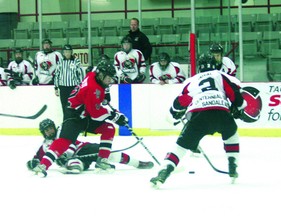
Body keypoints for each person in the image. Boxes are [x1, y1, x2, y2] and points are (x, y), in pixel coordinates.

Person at [150, 53, 247, 188]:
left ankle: (164, 171)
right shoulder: (220, 75)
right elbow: (234, 92)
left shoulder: (191, 80)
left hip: (199, 116)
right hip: (222, 113)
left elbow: (180, 101)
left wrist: (175, 113)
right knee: (231, 135)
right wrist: (240, 106)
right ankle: (232, 164)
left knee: (180, 147)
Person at [32, 62, 129, 177]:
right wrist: (115, 116)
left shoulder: (93, 75)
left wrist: (105, 93)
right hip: (75, 115)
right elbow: (96, 114)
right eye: (109, 78)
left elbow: (95, 97)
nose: (110, 81)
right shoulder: (92, 89)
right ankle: (43, 165)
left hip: (85, 113)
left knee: (108, 128)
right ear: (102, 75)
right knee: (64, 141)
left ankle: (102, 161)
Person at [26, 118, 154, 174]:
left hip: (83, 149)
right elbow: (37, 158)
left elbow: (71, 146)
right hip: (75, 159)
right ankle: (77, 165)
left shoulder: (62, 132)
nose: (50, 131)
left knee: (109, 155)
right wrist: (33, 163)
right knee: (74, 165)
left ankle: (138, 163)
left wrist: (65, 155)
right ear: (43, 133)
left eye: (50, 128)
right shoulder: (44, 146)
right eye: (46, 130)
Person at [54, 44, 84, 119]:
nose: (67, 53)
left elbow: (80, 74)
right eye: (65, 51)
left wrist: (81, 86)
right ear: (63, 53)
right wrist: (56, 87)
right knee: (64, 105)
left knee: (73, 105)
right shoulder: (60, 61)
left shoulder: (76, 61)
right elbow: (57, 74)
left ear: (71, 52)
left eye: (69, 51)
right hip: (63, 87)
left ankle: (74, 121)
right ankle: (66, 122)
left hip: (73, 87)